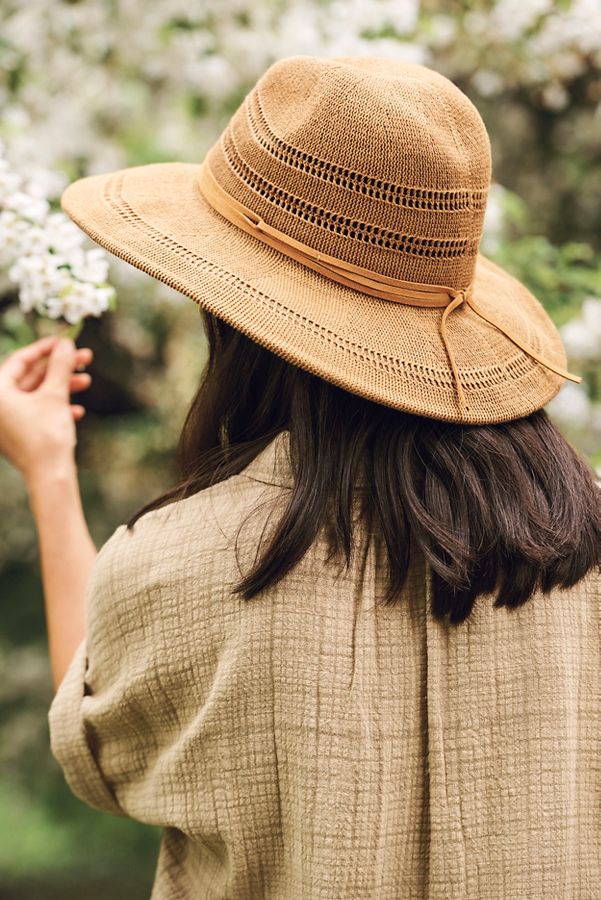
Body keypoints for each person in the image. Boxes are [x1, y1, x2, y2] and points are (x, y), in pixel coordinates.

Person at [1, 55, 600, 900]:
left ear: (232, 310)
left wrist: (49, 469)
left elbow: (97, 731)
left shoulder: (197, 559)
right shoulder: (580, 541)